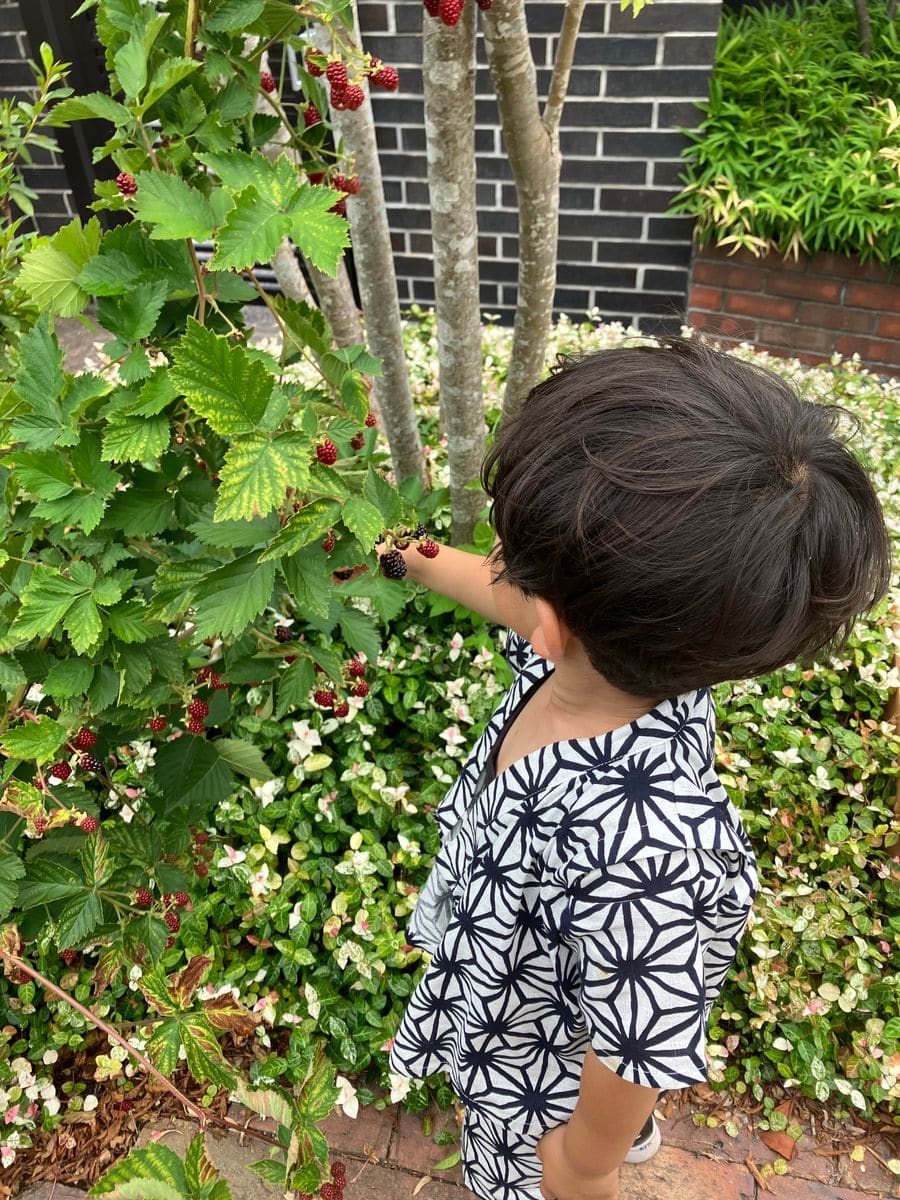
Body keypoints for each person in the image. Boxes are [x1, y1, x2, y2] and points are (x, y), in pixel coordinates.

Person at [383, 337, 891, 1200]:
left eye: (510, 562)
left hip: (544, 1075)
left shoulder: (644, 848)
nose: (497, 570)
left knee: (541, 1154)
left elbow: (636, 1039)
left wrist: (583, 1162)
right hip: (533, 960)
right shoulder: (639, 654)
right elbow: (509, 596)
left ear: (554, 622)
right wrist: (401, 553)